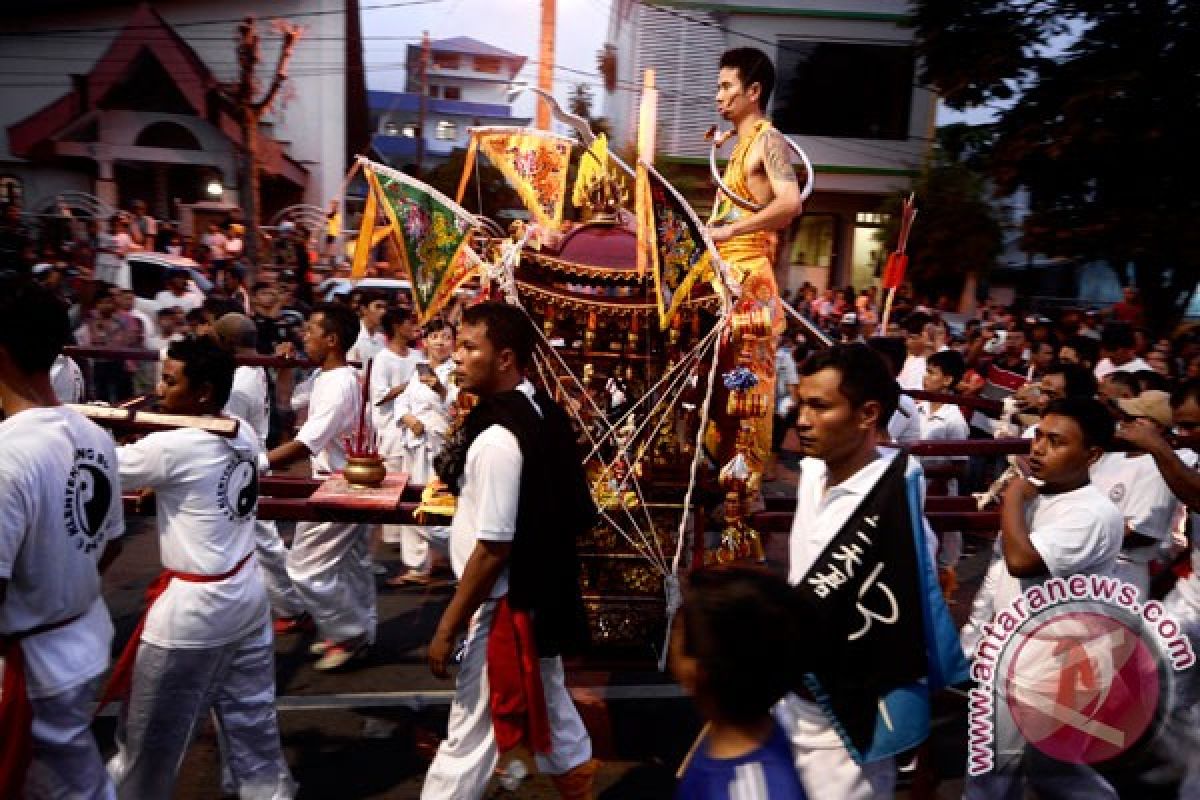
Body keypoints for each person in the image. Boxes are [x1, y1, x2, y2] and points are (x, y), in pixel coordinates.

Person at [107, 335, 294, 799]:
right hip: (248, 597)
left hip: (193, 613)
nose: (161, 391)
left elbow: (94, 464)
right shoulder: (241, 430)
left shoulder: (175, 447)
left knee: (147, 739)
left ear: (204, 392)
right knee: (252, 721)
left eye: (170, 382)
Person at [422, 302, 596, 799]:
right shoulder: (536, 408)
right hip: (535, 595)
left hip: (502, 605)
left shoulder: (499, 438)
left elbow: (494, 548)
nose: (457, 357)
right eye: (457, 346)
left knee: (466, 740)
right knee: (557, 713)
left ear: (504, 359)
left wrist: (447, 625)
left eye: (469, 347)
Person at [783, 343, 966, 800]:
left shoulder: (896, 508)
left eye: (819, 406)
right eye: (800, 402)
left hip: (849, 720)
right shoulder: (812, 472)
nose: (802, 419)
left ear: (868, 414)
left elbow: (904, 624)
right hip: (789, 702)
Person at [0, 276, 124, 798]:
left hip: (32, 670)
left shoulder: (9, 455)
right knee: (78, 778)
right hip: (84, 639)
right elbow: (110, 542)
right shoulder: (93, 434)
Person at [963, 397, 1124, 799]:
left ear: (1092, 455)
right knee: (1040, 775)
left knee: (999, 780)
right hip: (1016, 662)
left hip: (1049, 675)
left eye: (1056, 441)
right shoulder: (1044, 497)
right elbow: (1000, 575)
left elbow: (1020, 561)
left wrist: (1015, 495)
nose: (1038, 448)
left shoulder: (1092, 514)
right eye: (1038, 436)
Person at [706, 46, 802, 482]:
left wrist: (731, 232)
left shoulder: (768, 140)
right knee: (719, 396)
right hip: (726, 281)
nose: (719, 96)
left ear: (754, 91)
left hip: (750, 286)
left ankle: (744, 515)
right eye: (719, 86)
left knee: (747, 400)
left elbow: (790, 203)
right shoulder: (738, 146)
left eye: (727, 86)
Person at [267, 303, 373, 671]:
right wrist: (286, 368)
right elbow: (289, 403)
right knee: (350, 564)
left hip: (342, 483)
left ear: (331, 340)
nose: (304, 336)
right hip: (340, 479)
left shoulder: (340, 382)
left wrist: (258, 464)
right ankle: (357, 630)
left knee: (304, 568)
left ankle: (347, 632)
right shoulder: (325, 378)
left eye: (311, 330)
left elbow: (306, 441)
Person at [670, 566, 807, 800]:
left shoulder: (751, 791)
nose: (672, 642)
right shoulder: (724, 739)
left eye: (677, 630)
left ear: (697, 671)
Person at [213, 313, 308, 632]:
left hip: (243, 462)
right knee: (254, 540)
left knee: (264, 540)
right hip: (247, 458)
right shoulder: (251, 368)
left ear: (227, 342)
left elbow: (226, 427)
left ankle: (292, 606)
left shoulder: (241, 377)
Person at [1090, 389, 1183, 597]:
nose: (1123, 422)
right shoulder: (1112, 455)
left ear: (1157, 426)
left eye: (1132, 418)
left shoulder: (1158, 467)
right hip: (1089, 564)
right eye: (1123, 416)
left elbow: (1141, 533)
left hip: (1120, 574)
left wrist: (1078, 533)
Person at [368, 308, 430, 583]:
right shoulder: (382, 359)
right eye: (409, 323)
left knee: (416, 491)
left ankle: (419, 559)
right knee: (392, 492)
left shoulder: (417, 357)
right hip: (392, 433)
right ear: (395, 326)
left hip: (416, 432)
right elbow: (378, 397)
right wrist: (410, 385)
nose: (414, 328)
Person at [347, 291, 389, 367]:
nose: (383, 312)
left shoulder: (381, 339)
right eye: (378, 307)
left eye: (385, 308)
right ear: (364, 309)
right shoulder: (352, 335)